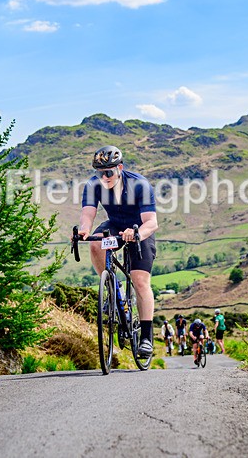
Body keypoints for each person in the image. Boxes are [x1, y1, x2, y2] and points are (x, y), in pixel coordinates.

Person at [78, 145, 159, 358]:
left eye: (108, 172)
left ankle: (146, 338)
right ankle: (113, 288)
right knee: (95, 243)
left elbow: (151, 222)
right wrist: (84, 230)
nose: (104, 177)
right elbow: (88, 214)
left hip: (139, 229)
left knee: (140, 281)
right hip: (114, 226)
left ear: (120, 168)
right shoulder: (94, 185)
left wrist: (138, 235)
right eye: (99, 172)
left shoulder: (139, 184)